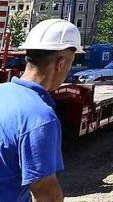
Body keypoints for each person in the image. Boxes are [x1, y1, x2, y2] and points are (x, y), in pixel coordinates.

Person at [0, 19, 84, 202]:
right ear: (61, 64)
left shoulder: (2, 92)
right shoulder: (40, 118)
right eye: (71, 64)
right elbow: (47, 195)